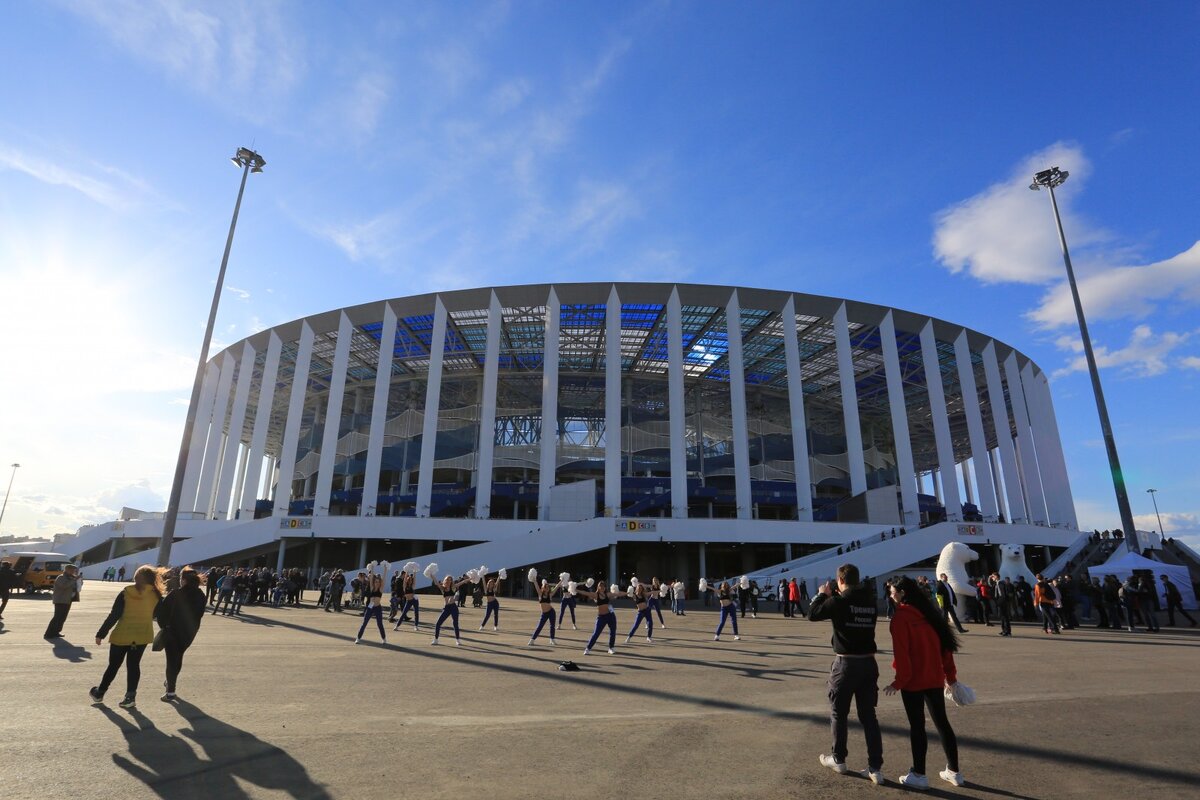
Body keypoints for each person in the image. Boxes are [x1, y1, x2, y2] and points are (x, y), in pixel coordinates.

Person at [807, 563, 884, 785]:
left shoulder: (840, 601)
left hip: (846, 663)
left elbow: (812, 614)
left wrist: (822, 595)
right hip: (869, 663)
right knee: (869, 716)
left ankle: (839, 758)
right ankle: (875, 768)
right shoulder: (870, 601)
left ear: (840, 580)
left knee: (839, 713)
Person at [884, 576, 963, 789]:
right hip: (934, 677)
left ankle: (919, 774)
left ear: (901, 593)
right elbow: (946, 649)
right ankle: (954, 772)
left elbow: (902, 655)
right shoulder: (930, 614)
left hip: (913, 681)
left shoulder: (901, 618)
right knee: (942, 724)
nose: (890, 595)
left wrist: (898, 682)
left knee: (917, 726)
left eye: (892, 591)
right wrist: (950, 677)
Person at [90, 565, 165, 708]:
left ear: (136, 577)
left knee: (113, 665)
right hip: (142, 635)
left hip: (122, 634)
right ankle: (130, 697)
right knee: (133, 665)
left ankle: (100, 692)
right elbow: (157, 615)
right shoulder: (157, 595)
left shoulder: (126, 592)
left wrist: (101, 634)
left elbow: (114, 615)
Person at [155, 566, 207, 701]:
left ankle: (170, 691)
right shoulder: (201, 595)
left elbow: (161, 613)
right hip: (189, 633)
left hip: (172, 631)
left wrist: (164, 626)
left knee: (171, 660)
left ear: (183, 580)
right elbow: (199, 614)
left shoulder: (176, 593)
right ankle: (170, 682)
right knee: (178, 657)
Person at [576, 580, 620, 655]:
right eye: (600, 586)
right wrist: (575, 590)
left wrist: (628, 593)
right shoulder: (595, 595)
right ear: (598, 587)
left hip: (610, 616)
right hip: (601, 617)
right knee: (596, 633)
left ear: (605, 587)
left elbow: (618, 594)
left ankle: (611, 648)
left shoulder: (607, 594)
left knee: (613, 632)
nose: (602, 587)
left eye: (603, 586)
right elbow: (586, 593)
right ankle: (588, 648)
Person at [431, 574, 472, 645]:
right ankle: (436, 639)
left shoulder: (453, 587)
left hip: (453, 607)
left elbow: (462, 582)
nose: (449, 581)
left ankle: (458, 640)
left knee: (455, 624)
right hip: (446, 608)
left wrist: (470, 578)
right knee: (438, 624)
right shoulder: (442, 588)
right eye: (447, 579)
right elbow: (436, 582)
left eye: (450, 580)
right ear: (445, 581)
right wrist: (431, 574)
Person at [43, 564, 79, 639]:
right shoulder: (61, 577)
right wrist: (74, 580)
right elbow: (64, 586)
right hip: (60, 600)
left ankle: (56, 631)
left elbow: (76, 587)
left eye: (74, 570)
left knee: (63, 617)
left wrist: (79, 581)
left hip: (67, 600)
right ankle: (48, 633)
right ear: (67, 570)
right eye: (72, 570)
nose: (73, 571)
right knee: (57, 617)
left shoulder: (71, 577)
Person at [355, 573, 387, 644]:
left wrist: (385, 569)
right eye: (376, 582)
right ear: (374, 582)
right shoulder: (372, 588)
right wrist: (372, 566)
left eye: (378, 582)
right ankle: (358, 638)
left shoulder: (380, 589)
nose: (377, 583)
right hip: (370, 607)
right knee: (364, 623)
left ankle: (384, 638)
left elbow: (384, 579)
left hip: (377, 607)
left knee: (380, 624)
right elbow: (372, 577)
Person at [528, 578, 559, 646]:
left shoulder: (550, 595)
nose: (547, 588)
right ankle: (532, 640)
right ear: (543, 588)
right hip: (544, 613)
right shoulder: (540, 594)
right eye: (546, 587)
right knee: (539, 626)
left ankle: (552, 639)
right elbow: (536, 586)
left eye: (548, 587)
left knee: (552, 626)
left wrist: (562, 580)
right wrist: (534, 580)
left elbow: (556, 588)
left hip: (551, 612)